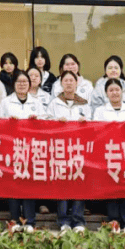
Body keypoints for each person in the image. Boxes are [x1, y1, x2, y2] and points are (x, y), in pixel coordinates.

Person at [92, 77, 125, 233]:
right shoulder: (100, 111)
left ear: (122, 91)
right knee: (111, 186)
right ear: (106, 93)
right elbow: (96, 132)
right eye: (111, 90)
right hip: (109, 154)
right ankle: (113, 221)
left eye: (117, 89)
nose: (114, 93)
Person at [0, 71, 41, 232]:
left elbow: (46, 121)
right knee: (13, 184)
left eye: (25, 82)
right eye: (19, 82)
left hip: (31, 149)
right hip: (12, 148)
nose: (22, 85)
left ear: (30, 84)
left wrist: (36, 121)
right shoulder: (6, 102)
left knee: (29, 184)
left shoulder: (36, 102)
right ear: (14, 84)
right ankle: (15, 219)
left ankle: (29, 221)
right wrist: (8, 122)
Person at [48, 72, 89, 232]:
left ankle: (78, 221)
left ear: (76, 83)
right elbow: (46, 123)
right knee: (62, 185)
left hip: (79, 149)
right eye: (66, 80)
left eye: (72, 80)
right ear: (61, 84)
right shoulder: (54, 103)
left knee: (79, 184)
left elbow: (93, 124)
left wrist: (85, 122)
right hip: (60, 150)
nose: (69, 83)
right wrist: (56, 123)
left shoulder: (84, 103)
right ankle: (63, 220)